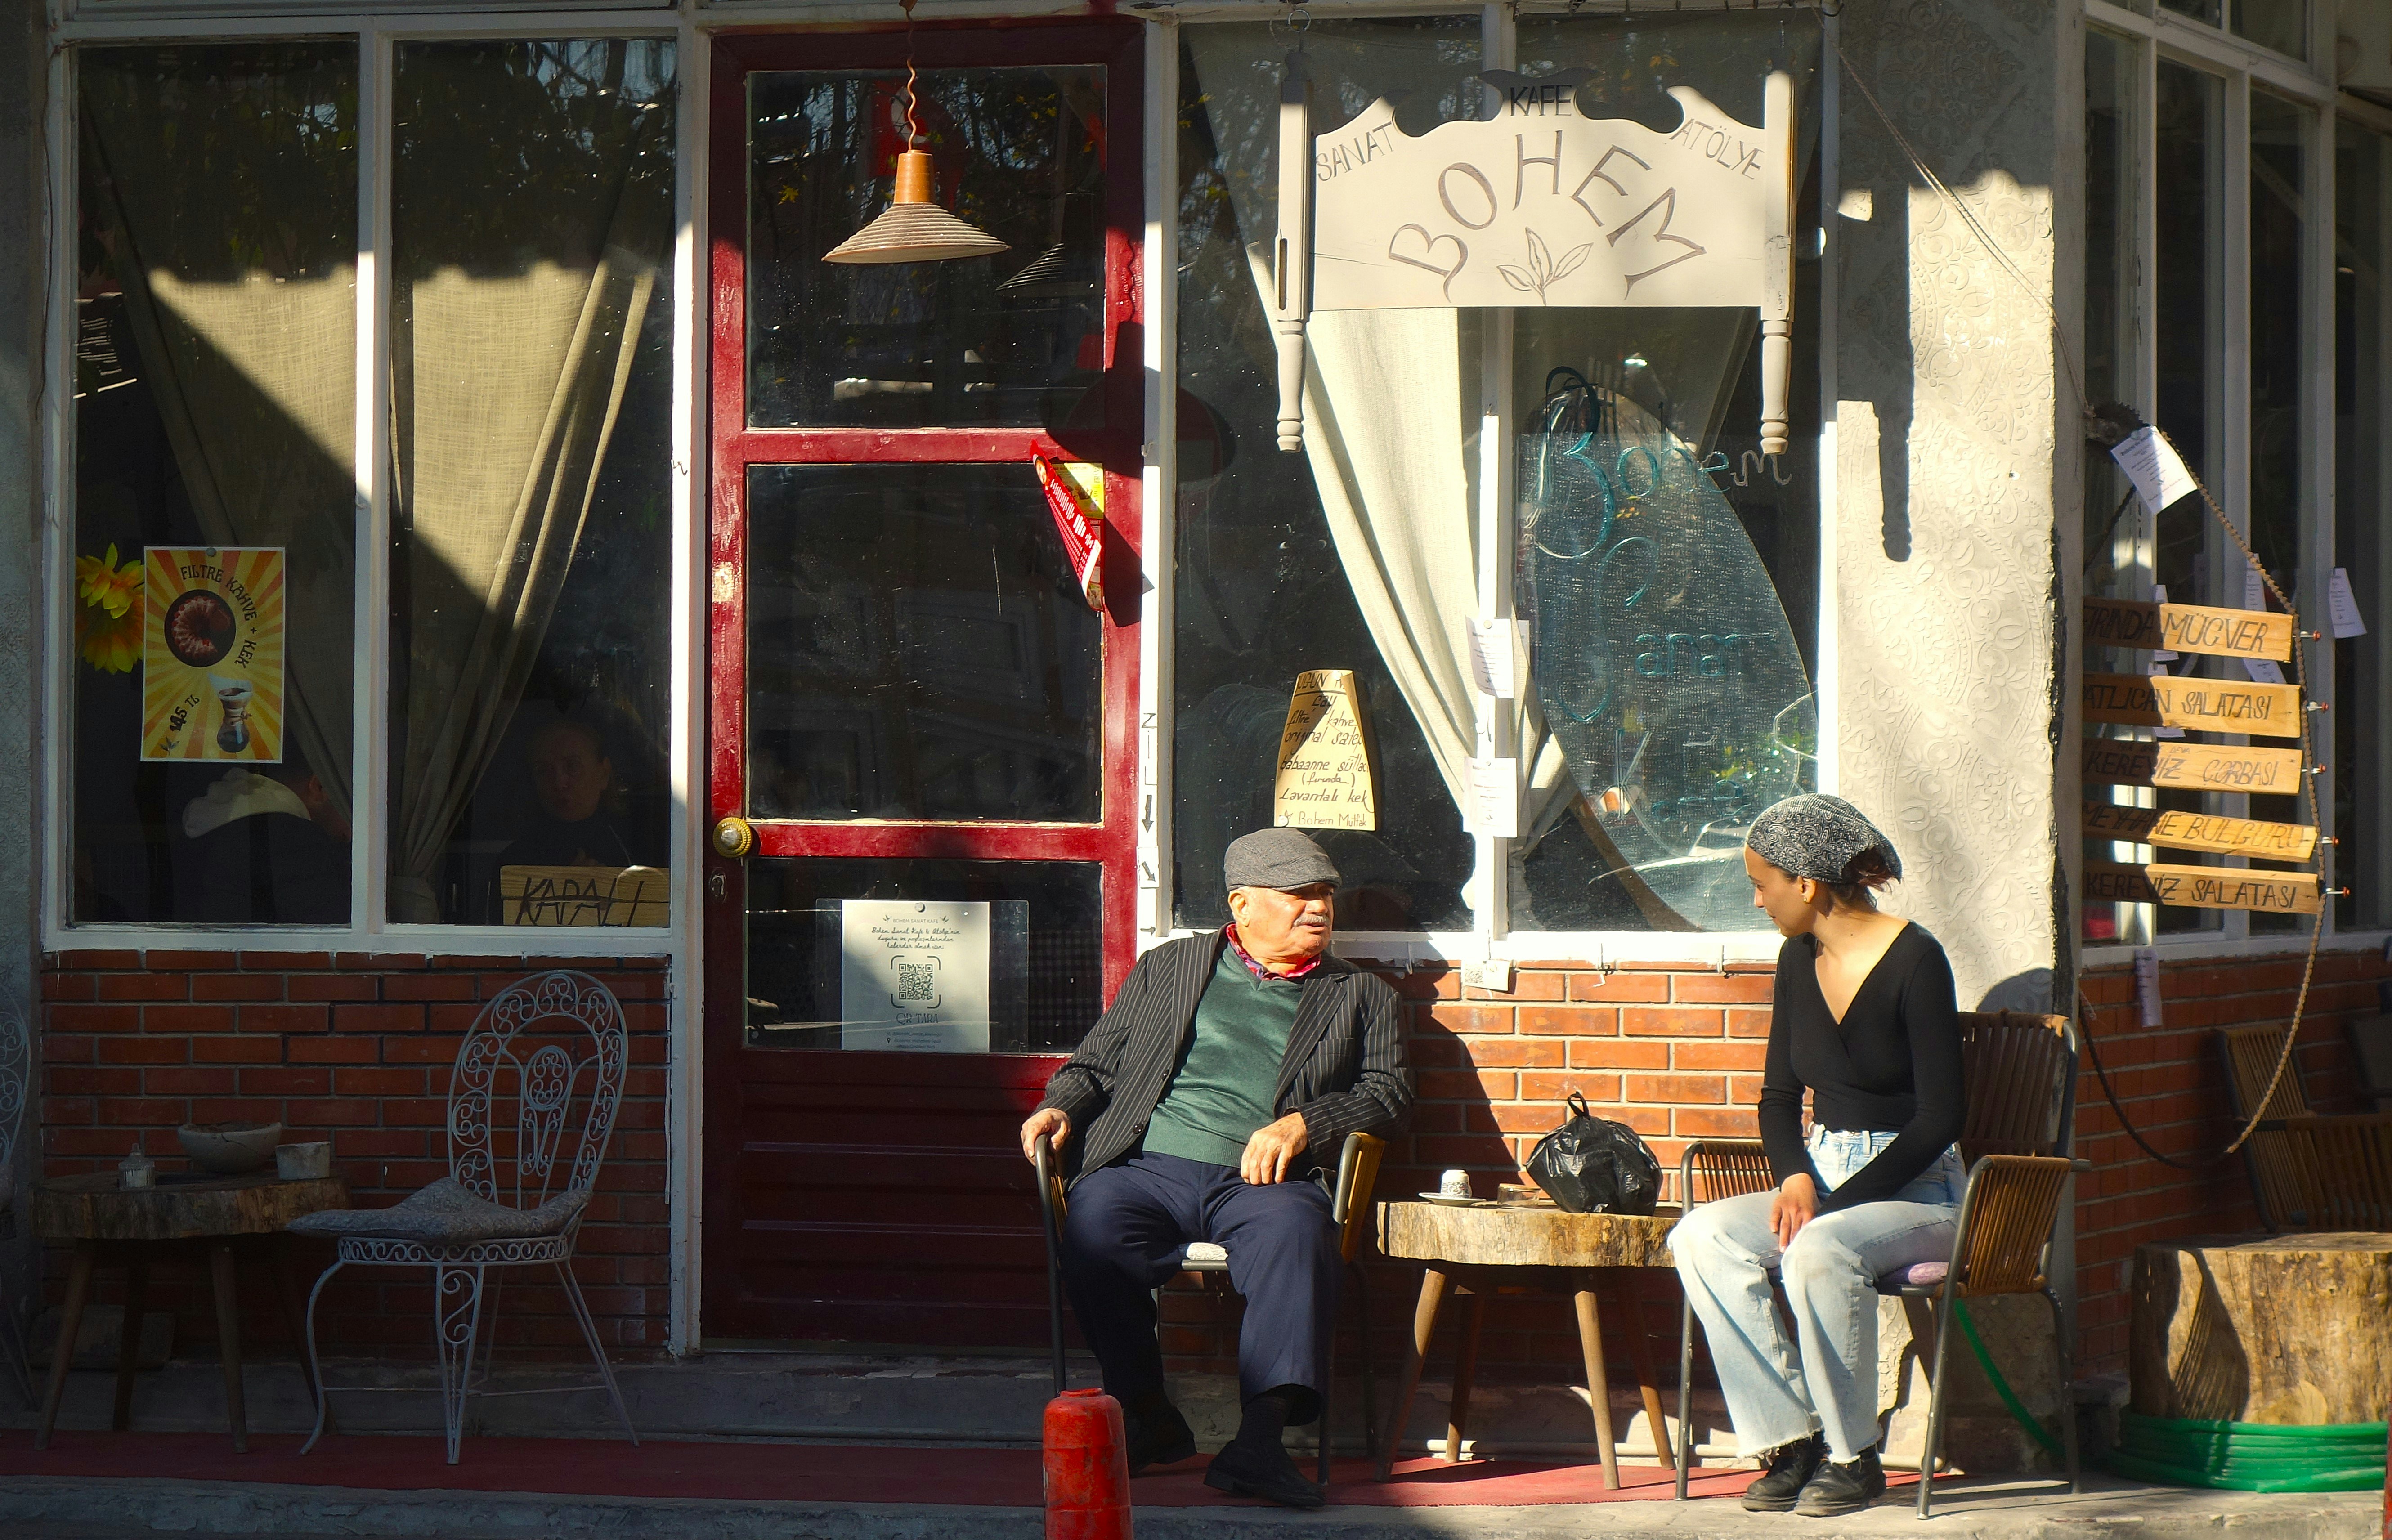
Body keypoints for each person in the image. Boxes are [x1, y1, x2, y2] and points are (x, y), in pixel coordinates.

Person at [1018, 828, 1411, 1509]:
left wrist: (1306, 1123)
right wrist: (1060, 1106)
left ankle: (1257, 1442)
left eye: (1323, 894)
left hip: (1264, 1183)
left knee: (1296, 1236)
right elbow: (1097, 1063)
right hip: (1147, 1165)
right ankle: (1144, 1411)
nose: (1318, 908)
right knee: (1095, 1226)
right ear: (1242, 904)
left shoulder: (1362, 996)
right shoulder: (1169, 967)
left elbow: (1390, 1096)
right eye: (1297, 895)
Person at [1669, 793, 1965, 1518]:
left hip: (1921, 1190)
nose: (1757, 900)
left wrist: (1834, 1205)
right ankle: (1790, 1440)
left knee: (1819, 1246)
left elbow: (1941, 1119)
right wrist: (1796, 1174)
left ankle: (1853, 1456)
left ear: (1805, 883)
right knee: (1701, 1235)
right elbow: (1777, 1097)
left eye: (1760, 884)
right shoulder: (1795, 959)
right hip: (1826, 1173)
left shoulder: (1917, 961)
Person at [173, 753, 352, 923]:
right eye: (354, 801)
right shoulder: (293, 839)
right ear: (319, 786)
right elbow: (328, 935)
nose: (359, 829)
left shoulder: (210, 826)